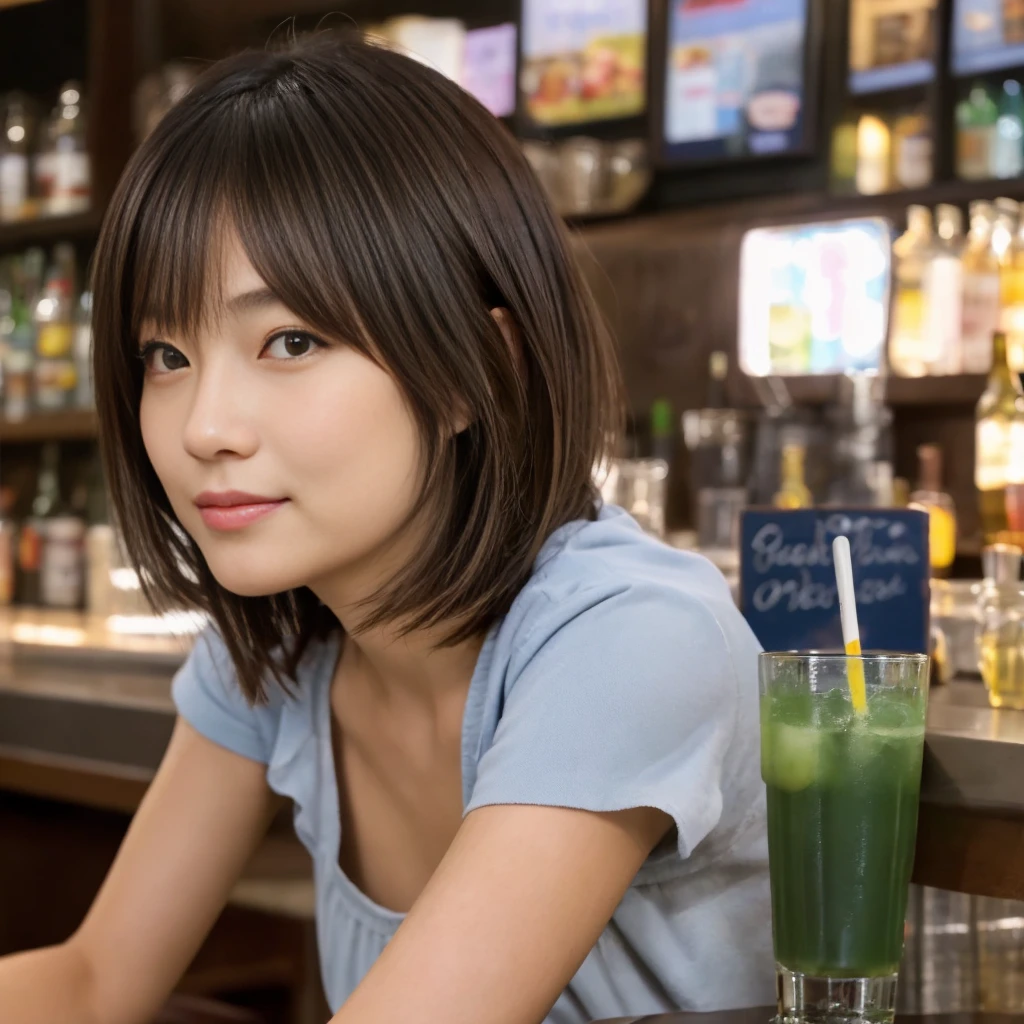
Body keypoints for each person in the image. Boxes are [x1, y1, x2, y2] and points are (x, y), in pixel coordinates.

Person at [0, 34, 772, 1024]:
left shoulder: (631, 638)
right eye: (164, 352)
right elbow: (96, 980)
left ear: (471, 370)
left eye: (289, 340)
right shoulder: (279, 652)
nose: (203, 428)